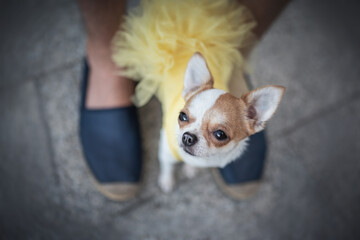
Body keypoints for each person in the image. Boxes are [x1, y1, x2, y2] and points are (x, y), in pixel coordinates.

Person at [77, 0, 289, 201]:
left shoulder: (246, 113)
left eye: (218, 134)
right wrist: (166, 176)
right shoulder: (173, 136)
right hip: (169, 48)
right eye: (184, 117)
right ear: (189, 90)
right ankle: (107, 60)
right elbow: (166, 156)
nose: (188, 136)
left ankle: (235, 62)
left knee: (236, 44)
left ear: (254, 119)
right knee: (171, 155)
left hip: (211, 50)